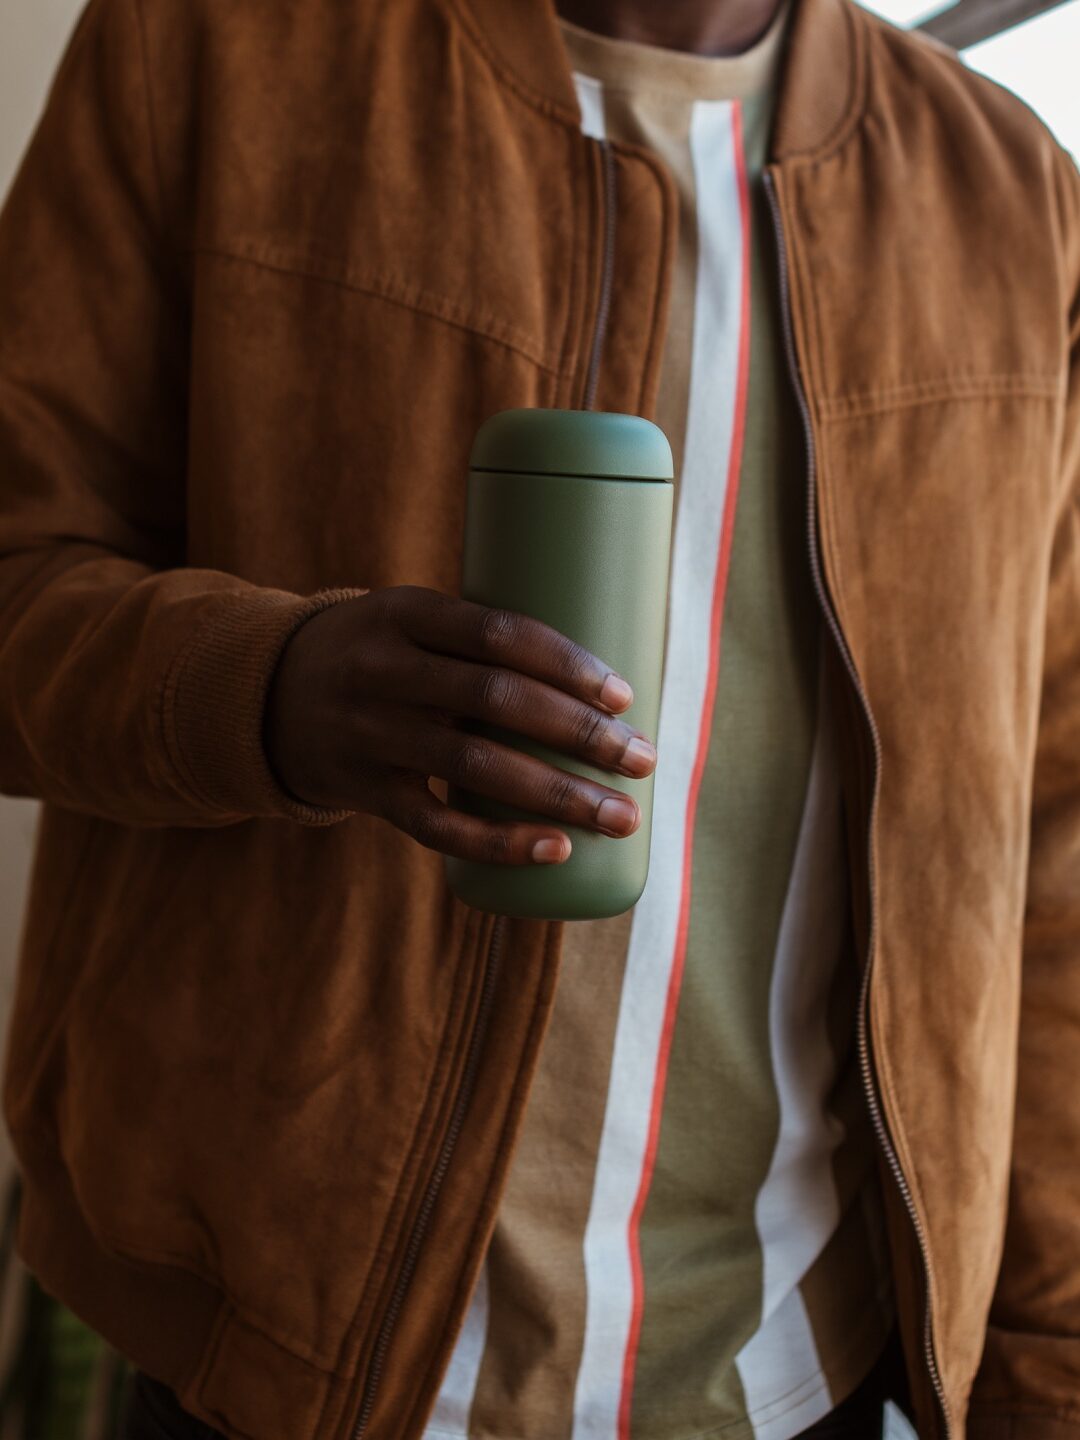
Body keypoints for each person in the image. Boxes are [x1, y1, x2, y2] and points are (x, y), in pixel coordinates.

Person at [0, 0, 1077, 1433]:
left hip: (798, 1378)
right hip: (286, 1363)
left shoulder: (1012, 195)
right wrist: (271, 687)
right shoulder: (212, 45)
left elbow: (1052, 855)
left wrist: (1044, 1377)